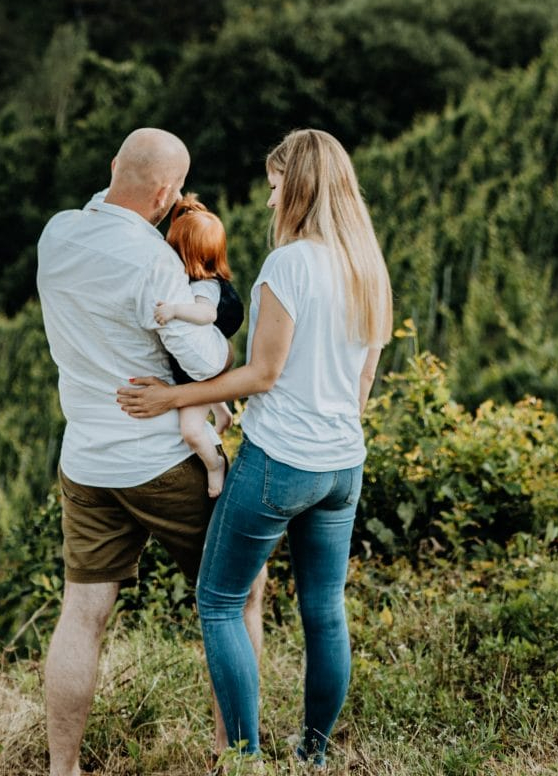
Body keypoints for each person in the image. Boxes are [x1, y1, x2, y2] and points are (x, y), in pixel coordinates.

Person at [117, 127, 393, 765]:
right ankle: (313, 756)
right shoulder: (368, 267)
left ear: (300, 188)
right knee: (324, 610)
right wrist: (330, 432)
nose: (270, 202)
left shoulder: (289, 265)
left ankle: (243, 760)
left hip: (281, 461)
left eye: (275, 187)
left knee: (218, 601)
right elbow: (363, 381)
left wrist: (174, 397)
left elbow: (263, 374)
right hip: (342, 464)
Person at [36, 127, 266, 776]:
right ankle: (231, 757)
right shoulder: (153, 261)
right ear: (167, 194)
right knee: (239, 593)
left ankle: (62, 769)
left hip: (85, 460)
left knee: (83, 613)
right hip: (163, 461)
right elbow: (209, 359)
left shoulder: (56, 234)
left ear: (114, 164)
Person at [153, 191, 245, 495]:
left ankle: (214, 465)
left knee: (191, 431)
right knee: (203, 385)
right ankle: (223, 413)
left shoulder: (206, 286)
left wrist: (175, 310)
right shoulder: (200, 278)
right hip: (206, 365)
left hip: (206, 366)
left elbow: (207, 314)